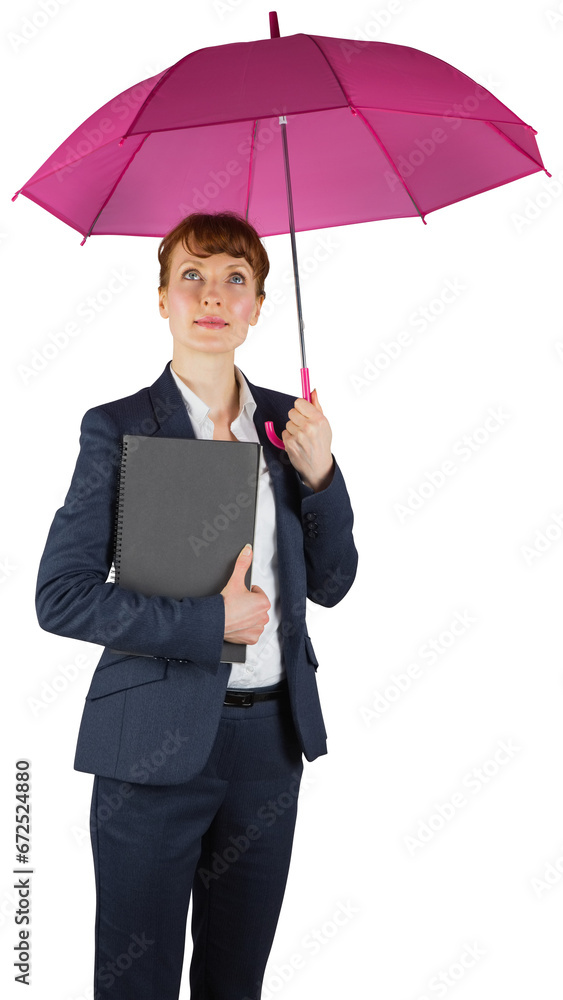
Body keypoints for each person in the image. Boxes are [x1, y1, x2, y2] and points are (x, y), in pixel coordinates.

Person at [35, 210, 358, 999]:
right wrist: (206, 623)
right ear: (161, 300)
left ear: (257, 305)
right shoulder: (116, 429)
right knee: (136, 980)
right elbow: (61, 597)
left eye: (234, 280)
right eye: (193, 277)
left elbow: (332, 581)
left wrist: (321, 478)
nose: (212, 296)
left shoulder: (291, 426)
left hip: (268, 743)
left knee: (234, 978)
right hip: (150, 745)